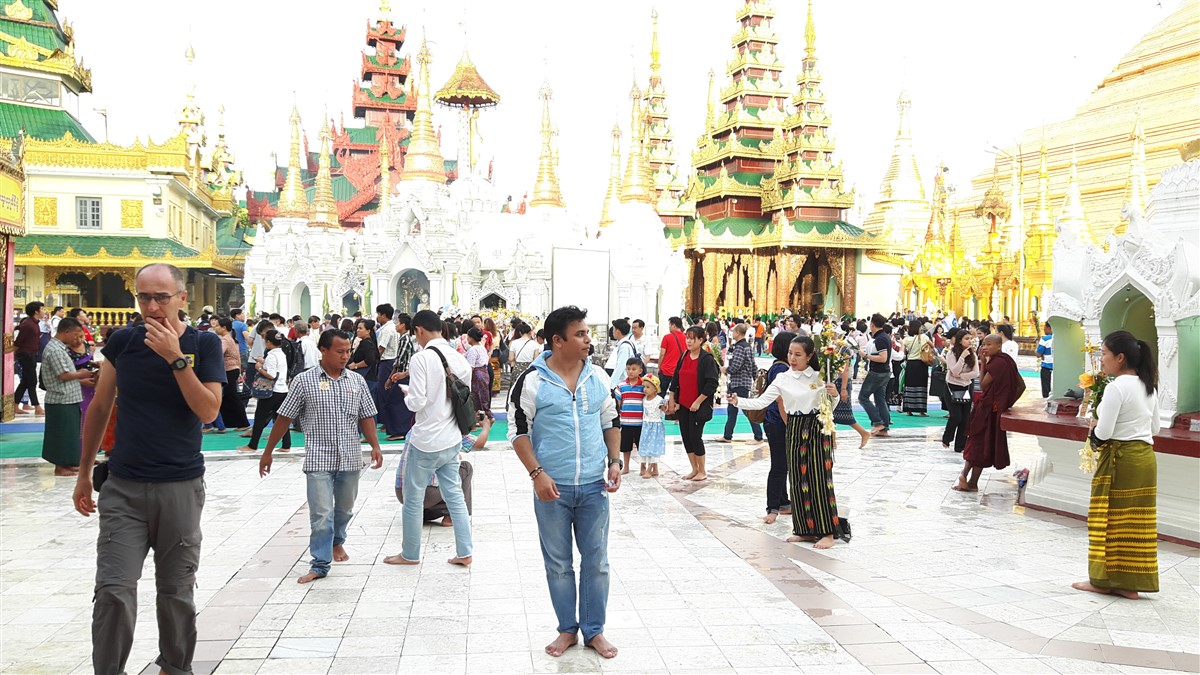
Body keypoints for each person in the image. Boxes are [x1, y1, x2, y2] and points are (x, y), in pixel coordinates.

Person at [72, 263, 224, 675]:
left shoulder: (203, 344)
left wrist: (176, 358)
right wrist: (85, 471)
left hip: (180, 485)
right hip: (124, 486)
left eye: (161, 297)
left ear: (181, 298)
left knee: (176, 593)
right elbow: (101, 407)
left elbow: (208, 411)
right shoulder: (123, 342)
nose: (152, 307)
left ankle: (175, 667)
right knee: (113, 591)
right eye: (144, 298)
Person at [506, 305, 622, 659]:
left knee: (597, 560)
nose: (589, 340)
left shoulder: (598, 377)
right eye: (581, 334)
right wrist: (537, 474)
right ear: (558, 341)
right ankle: (567, 630)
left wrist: (614, 461)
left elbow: (611, 419)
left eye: (588, 333)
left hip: (592, 486)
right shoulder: (532, 380)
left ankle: (594, 630)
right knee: (558, 563)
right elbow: (517, 431)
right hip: (551, 489)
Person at [258, 329, 383, 584]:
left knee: (345, 509)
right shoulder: (304, 382)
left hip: (350, 458)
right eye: (340, 352)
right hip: (318, 459)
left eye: (348, 351)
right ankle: (320, 563)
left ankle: (338, 541)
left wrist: (375, 446)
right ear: (323, 351)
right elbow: (284, 418)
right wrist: (268, 452)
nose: (345, 356)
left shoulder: (356, 381)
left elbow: (366, 416)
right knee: (322, 513)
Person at [730, 335, 843, 549]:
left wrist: (835, 394)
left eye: (798, 354)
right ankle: (804, 529)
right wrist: (738, 401)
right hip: (794, 428)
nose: (792, 358)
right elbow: (762, 401)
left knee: (819, 478)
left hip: (818, 428)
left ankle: (827, 531)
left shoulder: (819, 377)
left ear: (809, 356)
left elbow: (830, 407)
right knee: (798, 480)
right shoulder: (783, 378)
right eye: (790, 353)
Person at [1072, 330, 1160, 600]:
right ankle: (1129, 583)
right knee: (1136, 522)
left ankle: (1102, 580)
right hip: (1144, 458)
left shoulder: (1116, 387)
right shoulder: (1148, 386)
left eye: (1105, 354)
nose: (1102, 359)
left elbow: (1105, 432)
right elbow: (1154, 427)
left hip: (1120, 459)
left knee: (1108, 519)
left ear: (1120, 358)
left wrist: (1094, 426)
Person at [384, 309, 474, 567]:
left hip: (426, 440)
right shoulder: (460, 359)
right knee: (454, 494)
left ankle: (410, 554)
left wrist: (406, 392)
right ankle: (465, 551)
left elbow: (417, 402)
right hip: (452, 437)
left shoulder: (421, 358)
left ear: (419, 330)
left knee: (413, 499)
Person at [955, 334, 1024, 492]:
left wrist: (984, 365)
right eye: (983, 344)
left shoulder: (998, 363)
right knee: (981, 444)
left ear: (999, 346)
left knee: (978, 443)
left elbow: (984, 386)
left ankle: (967, 479)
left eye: (989, 344)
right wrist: (1006, 403)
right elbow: (1021, 386)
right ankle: (969, 481)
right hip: (992, 409)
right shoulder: (1007, 361)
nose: (984, 347)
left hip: (987, 410)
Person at [395, 415, 491, 526]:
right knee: (465, 468)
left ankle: (420, 513)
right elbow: (479, 443)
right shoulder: (447, 428)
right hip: (427, 493)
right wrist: (486, 426)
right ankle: (452, 516)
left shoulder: (416, 428)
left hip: (403, 493)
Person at [666, 326, 720, 481]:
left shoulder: (706, 359)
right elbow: (676, 378)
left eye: (692, 338)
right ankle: (694, 469)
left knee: (696, 437)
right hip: (683, 404)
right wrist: (672, 398)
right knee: (686, 436)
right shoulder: (684, 356)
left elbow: (711, 383)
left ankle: (702, 470)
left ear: (700, 340)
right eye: (687, 337)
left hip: (697, 406)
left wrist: (698, 401)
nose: (688, 341)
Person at [41, 317, 93, 475]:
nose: (77, 339)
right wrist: (81, 374)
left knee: (69, 433)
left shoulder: (61, 348)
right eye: (76, 334)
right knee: (61, 434)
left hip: (69, 397)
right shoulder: (55, 350)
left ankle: (69, 463)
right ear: (66, 332)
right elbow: (63, 375)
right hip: (60, 398)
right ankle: (61, 467)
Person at [239, 330, 292, 453]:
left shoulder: (272, 355)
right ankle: (286, 444)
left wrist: (259, 368)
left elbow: (272, 375)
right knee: (281, 419)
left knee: (259, 417)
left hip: (271, 392)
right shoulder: (280, 353)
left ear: (268, 342)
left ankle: (253, 445)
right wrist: (264, 362)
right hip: (282, 390)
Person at [760, 332, 794, 523]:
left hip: (774, 421)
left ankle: (782, 501)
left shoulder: (779, 367)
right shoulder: (781, 369)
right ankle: (773, 505)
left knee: (782, 464)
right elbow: (781, 400)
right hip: (778, 421)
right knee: (780, 465)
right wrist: (788, 423)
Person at [719, 323, 762, 444]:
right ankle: (727, 435)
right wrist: (755, 378)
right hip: (744, 382)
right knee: (732, 410)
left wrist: (726, 369)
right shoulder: (748, 346)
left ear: (737, 333)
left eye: (733, 332)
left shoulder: (739, 347)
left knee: (746, 409)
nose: (732, 334)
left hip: (739, 383)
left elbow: (736, 365)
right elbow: (753, 365)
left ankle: (758, 436)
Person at [942, 329, 980, 453]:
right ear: (959, 340)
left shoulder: (973, 354)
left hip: (965, 387)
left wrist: (962, 376)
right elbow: (954, 371)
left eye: (970, 338)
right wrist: (962, 357)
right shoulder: (951, 353)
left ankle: (960, 446)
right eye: (966, 339)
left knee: (965, 418)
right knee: (956, 416)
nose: (970, 341)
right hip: (951, 387)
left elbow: (975, 373)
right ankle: (947, 437)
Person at [382, 313, 417, 441]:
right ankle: (400, 429)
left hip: (402, 375)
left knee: (395, 403)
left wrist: (391, 377)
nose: (396, 325)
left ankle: (400, 430)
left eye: (397, 323)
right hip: (402, 375)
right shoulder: (405, 338)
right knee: (398, 403)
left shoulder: (404, 339)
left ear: (402, 325)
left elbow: (399, 360)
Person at [833, 335, 872, 449]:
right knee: (831, 415)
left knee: (846, 414)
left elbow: (846, 370)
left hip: (842, 383)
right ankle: (833, 441)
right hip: (836, 383)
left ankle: (863, 433)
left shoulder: (844, 349)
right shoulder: (832, 349)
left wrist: (843, 389)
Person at [857, 313, 893, 437]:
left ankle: (878, 423)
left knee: (863, 397)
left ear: (872, 324)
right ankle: (884, 428)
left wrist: (866, 356)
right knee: (880, 399)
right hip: (885, 372)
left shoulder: (880, 339)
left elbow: (883, 358)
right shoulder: (884, 337)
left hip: (878, 372)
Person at [213, 317, 251, 431]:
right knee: (228, 397)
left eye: (217, 326)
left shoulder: (225, 340)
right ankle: (230, 422)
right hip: (233, 370)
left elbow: (218, 353)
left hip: (228, 370)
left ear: (224, 328)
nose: (215, 328)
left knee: (231, 396)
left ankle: (243, 423)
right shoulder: (231, 339)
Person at [14, 301, 45, 415]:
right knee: (32, 381)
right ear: (36, 311)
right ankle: (37, 406)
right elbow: (19, 341)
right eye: (42, 309)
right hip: (25, 355)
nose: (44, 311)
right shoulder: (27, 324)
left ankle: (15, 404)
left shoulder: (35, 323)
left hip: (32, 355)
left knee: (26, 382)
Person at [617, 358, 645, 475]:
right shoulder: (621, 386)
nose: (631, 371)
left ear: (640, 370)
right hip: (626, 422)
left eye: (634, 369)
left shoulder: (644, 385)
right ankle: (626, 466)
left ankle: (643, 467)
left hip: (640, 422)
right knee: (625, 446)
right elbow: (619, 403)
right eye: (628, 369)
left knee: (641, 446)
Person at [901, 319, 932, 416]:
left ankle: (909, 410)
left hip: (910, 364)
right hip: (921, 364)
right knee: (921, 386)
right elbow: (933, 346)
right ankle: (921, 410)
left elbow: (902, 352)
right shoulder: (924, 337)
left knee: (909, 385)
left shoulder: (906, 339)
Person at [637, 375, 665, 478]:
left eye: (648, 387)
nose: (645, 389)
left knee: (654, 447)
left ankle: (650, 468)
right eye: (644, 387)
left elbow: (663, 410)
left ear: (655, 388)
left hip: (655, 427)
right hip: (646, 426)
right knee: (645, 446)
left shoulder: (659, 400)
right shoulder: (644, 399)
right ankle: (653, 469)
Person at [464, 327, 494, 420]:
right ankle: (486, 415)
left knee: (476, 396)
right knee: (484, 395)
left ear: (471, 338)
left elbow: (471, 366)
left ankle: (479, 417)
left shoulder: (473, 350)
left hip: (477, 374)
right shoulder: (482, 348)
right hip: (484, 372)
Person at [347, 320, 379, 398]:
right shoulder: (367, 342)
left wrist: (355, 366)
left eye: (360, 328)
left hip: (367, 377)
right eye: (357, 328)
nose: (358, 330)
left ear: (368, 331)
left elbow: (369, 360)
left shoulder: (366, 343)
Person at [605, 318, 639, 390]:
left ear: (617, 331)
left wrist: (611, 385)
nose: (613, 332)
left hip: (624, 383)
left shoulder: (624, 347)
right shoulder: (628, 342)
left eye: (613, 329)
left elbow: (620, 367)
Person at [657, 316, 686, 395]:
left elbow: (662, 354)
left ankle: (660, 407)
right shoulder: (686, 338)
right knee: (676, 393)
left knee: (661, 393)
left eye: (669, 325)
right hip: (679, 370)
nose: (669, 327)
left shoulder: (667, 337)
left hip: (666, 369)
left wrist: (659, 367)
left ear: (674, 325)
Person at [1037, 322, 1054, 399]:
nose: (1044, 330)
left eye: (1045, 328)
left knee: (1046, 388)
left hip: (1046, 366)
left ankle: (1046, 400)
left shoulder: (1045, 339)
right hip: (1057, 367)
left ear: (1049, 328)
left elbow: (1038, 354)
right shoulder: (1060, 338)